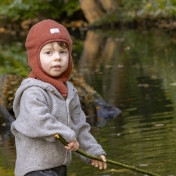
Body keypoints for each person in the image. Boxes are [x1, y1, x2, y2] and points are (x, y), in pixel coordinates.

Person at [11, 19, 107, 176]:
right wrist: (68, 134)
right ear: (35, 57)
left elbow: (79, 126)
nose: (57, 58)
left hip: (59, 167)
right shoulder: (32, 92)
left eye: (63, 52)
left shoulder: (69, 91)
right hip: (34, 169)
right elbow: (39, 121)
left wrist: (92, 152)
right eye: (48, 52)